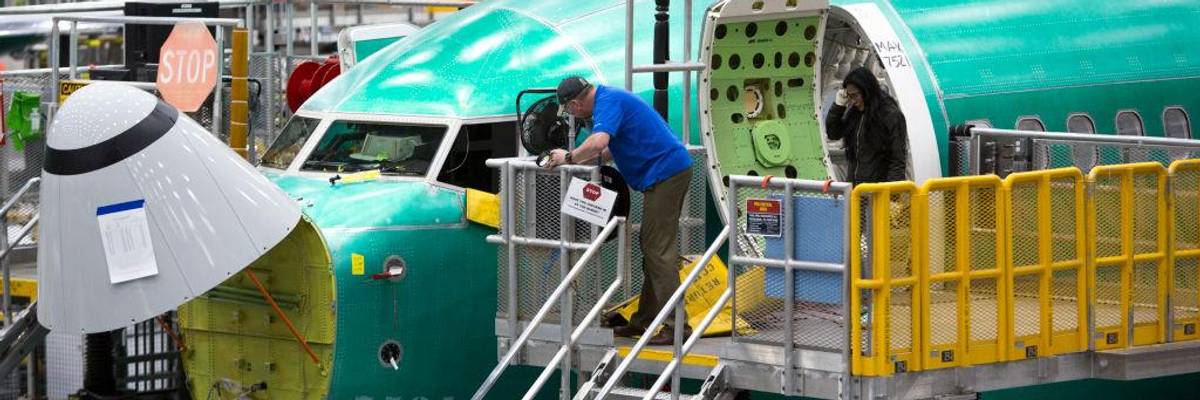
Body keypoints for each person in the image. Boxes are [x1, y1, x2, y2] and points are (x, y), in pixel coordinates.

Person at [543, 76, 693, 345]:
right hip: (665, 173)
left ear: (576, 104)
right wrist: (580, 158)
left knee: (658, 250)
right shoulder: (609, 98)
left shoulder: (607, 101)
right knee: (652, 248)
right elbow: (610, 150)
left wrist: (567, 158)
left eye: (570, 111)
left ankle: (677, 327)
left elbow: (599, 142)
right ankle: (645, 321)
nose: (573, 116)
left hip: (666, 174)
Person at [825, 67, 909, 185]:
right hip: (857, 191)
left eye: (855, 95)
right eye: (849, 96)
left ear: (867, 91)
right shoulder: (855, 113)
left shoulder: (891, 115)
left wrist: (891, 195)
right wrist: (838, 106)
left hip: (878, 193)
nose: (853, 101)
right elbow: (833, 133)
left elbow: (897, 160)